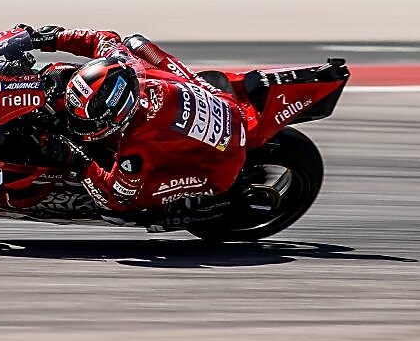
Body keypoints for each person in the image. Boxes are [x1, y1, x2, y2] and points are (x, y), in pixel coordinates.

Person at [19, 24, 248, 215]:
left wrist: (77, 161)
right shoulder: (123, 62)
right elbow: (101, 39)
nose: (74, 124)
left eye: (87, 122)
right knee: (135, 43)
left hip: (221, 162)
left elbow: (114, 197)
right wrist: (49, 37)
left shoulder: (136, 147)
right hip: (220, 101)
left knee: (127, 206)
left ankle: (173, 208)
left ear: (120, 119)